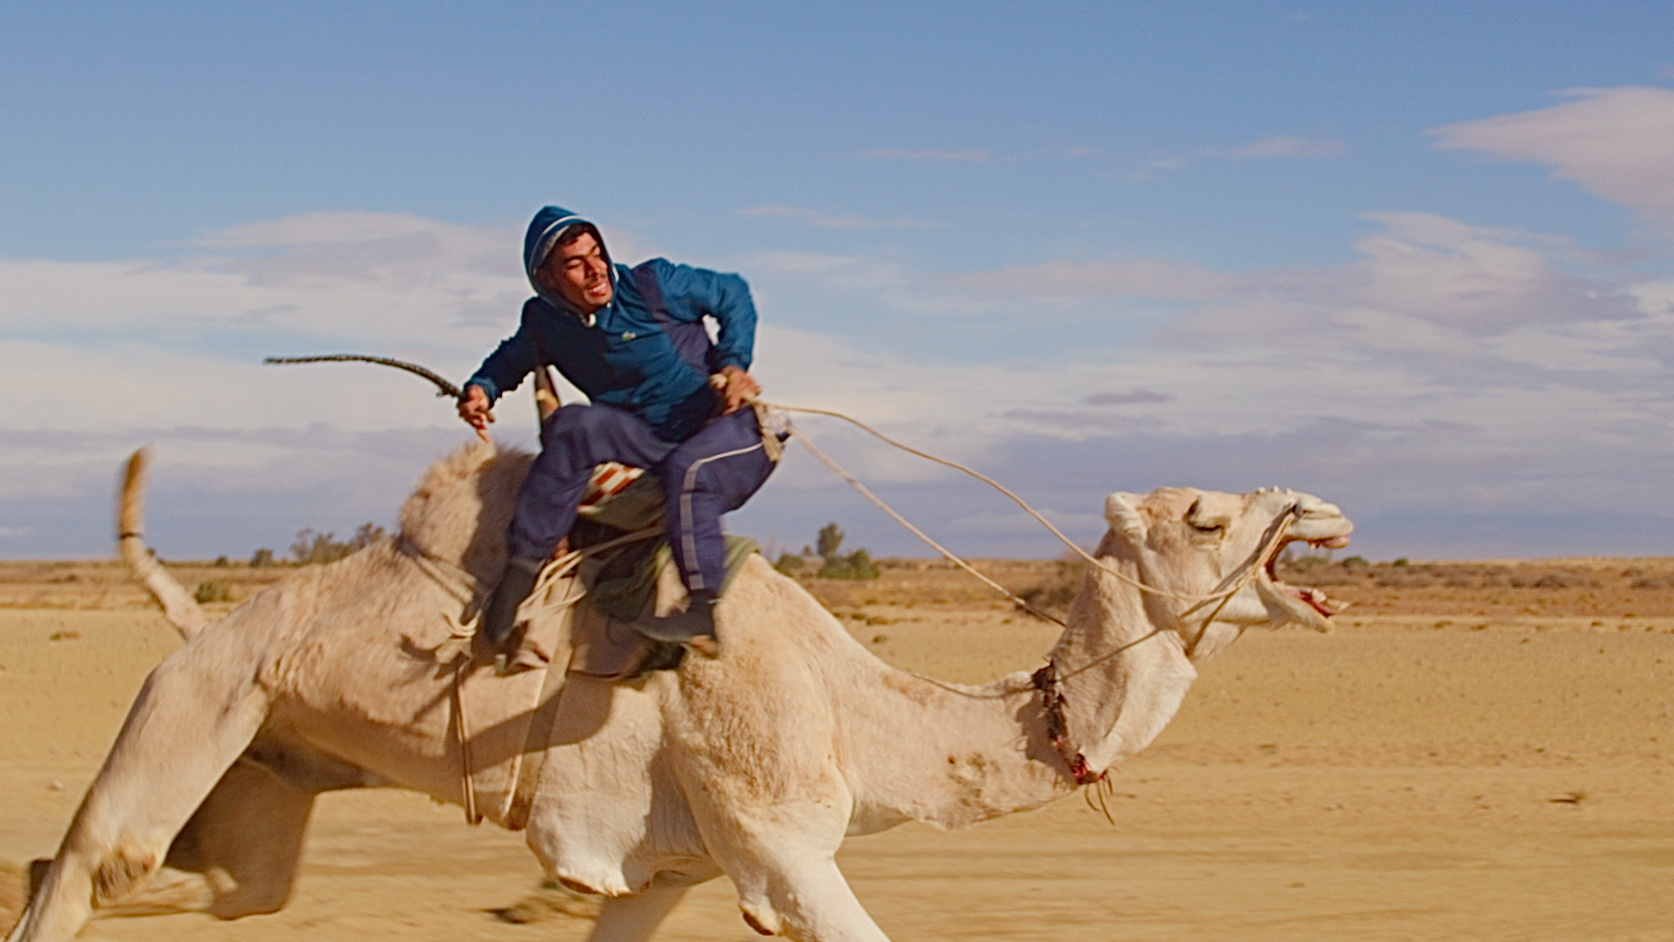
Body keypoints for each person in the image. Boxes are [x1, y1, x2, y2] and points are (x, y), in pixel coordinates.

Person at [459, 205, 777, 652]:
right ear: (547, 280)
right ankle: (520, 574)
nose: (595, 271)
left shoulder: (655, 284)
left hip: (728, 431)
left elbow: (734, 294)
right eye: (575, 264)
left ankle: (702, 613)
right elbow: (510, 358)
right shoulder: (544, 322)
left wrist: (733, 364)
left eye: (597, 255)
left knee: (689, 470)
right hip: (648, 442)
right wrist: (481, 389)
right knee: (573, 425)